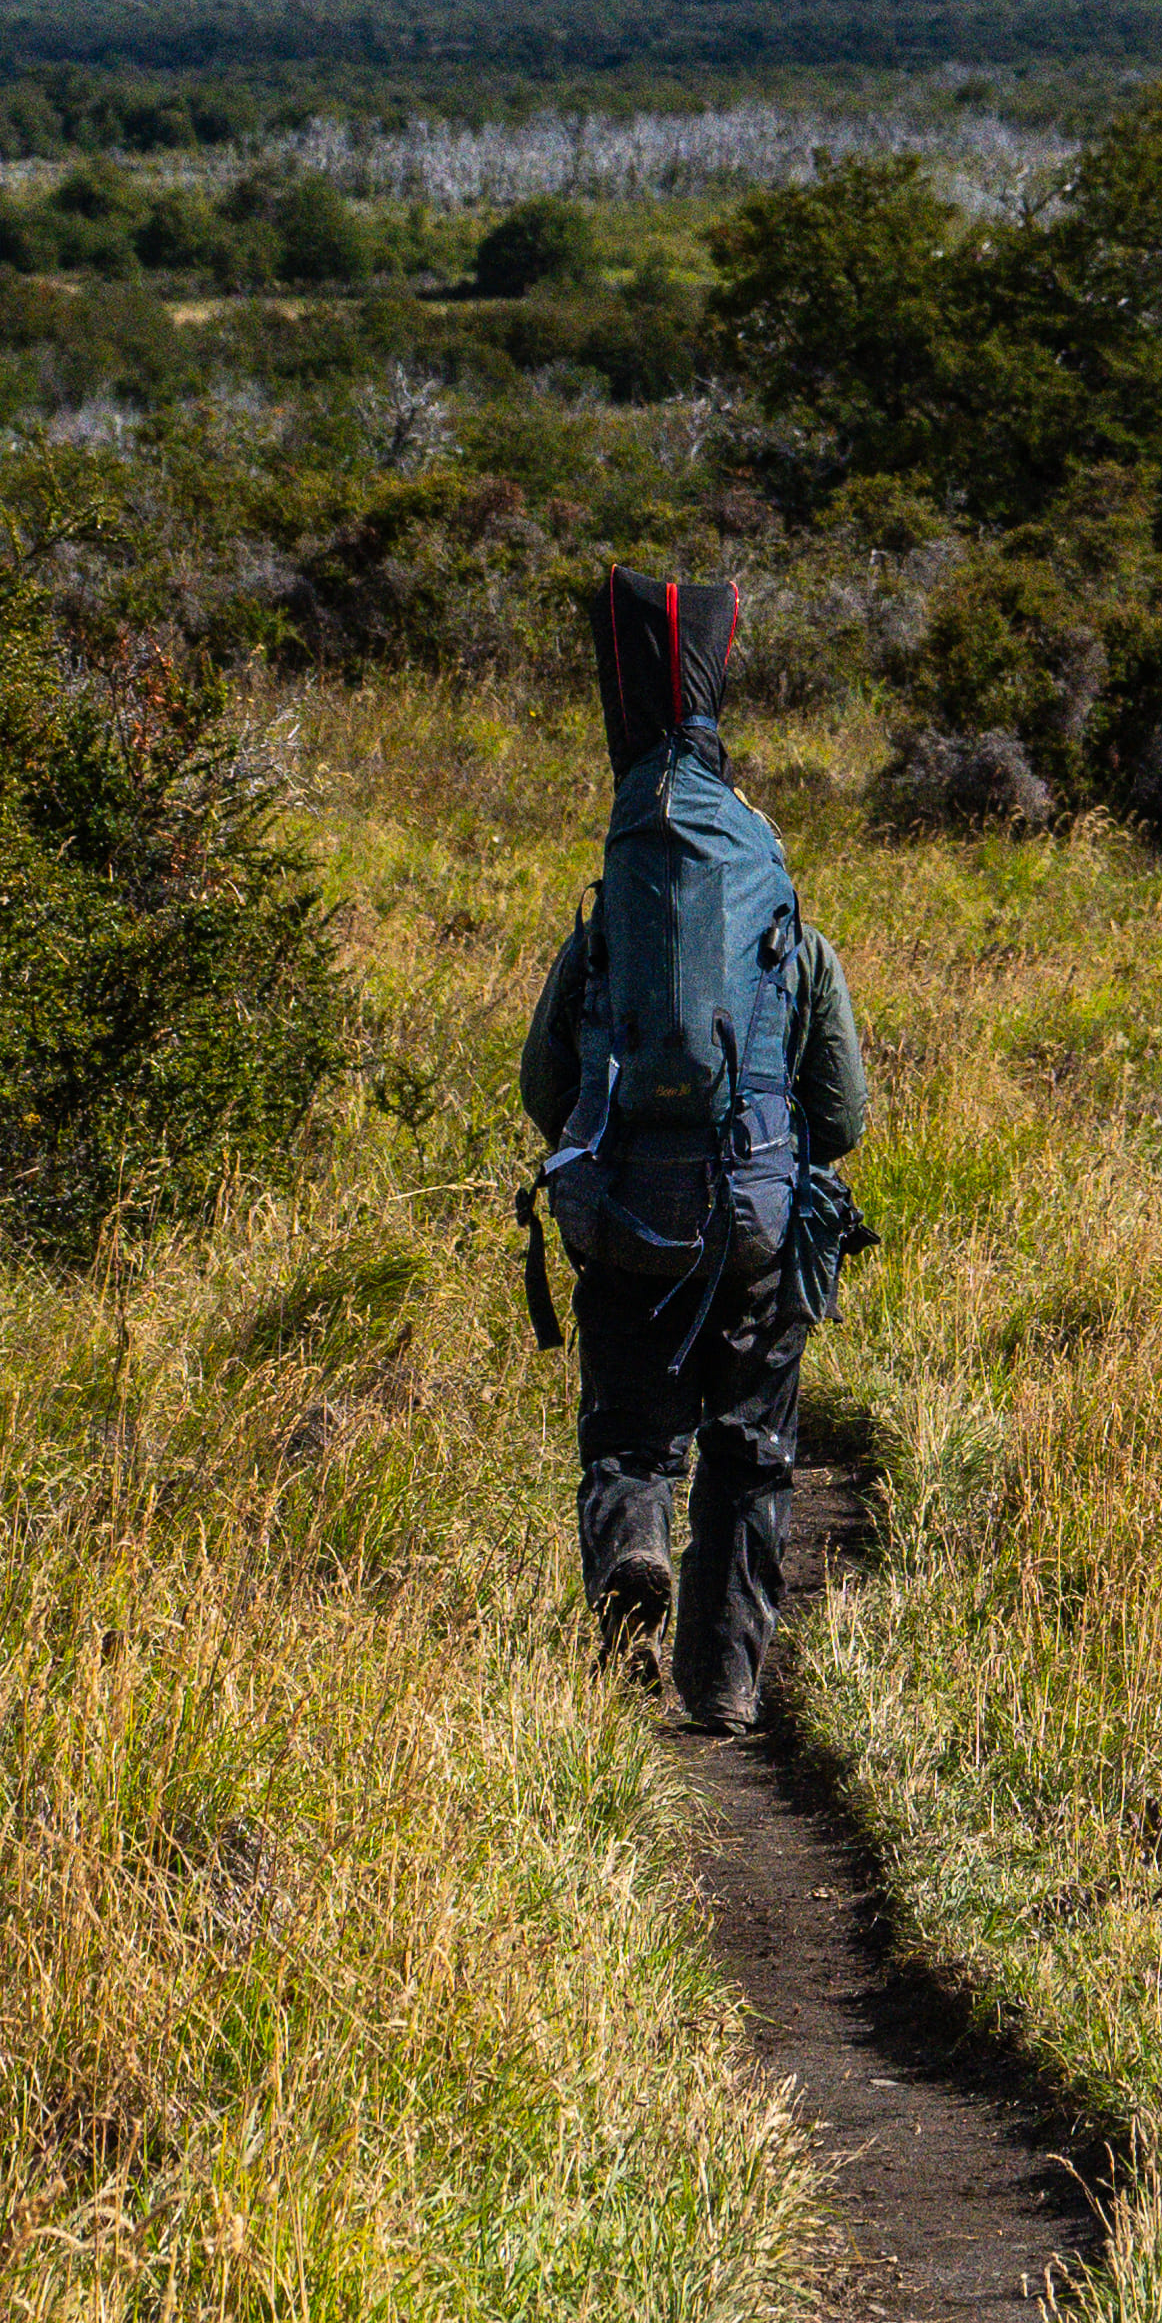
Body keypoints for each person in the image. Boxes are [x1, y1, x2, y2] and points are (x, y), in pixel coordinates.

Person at [517, 570, 869, 1737]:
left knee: (630, 1441)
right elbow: (843, 1113)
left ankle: (633, 1555)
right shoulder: (794, 938)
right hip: (755, 1227)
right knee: (750, 1454)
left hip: (623, 1223)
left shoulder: (602, 932)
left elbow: (544, 1090)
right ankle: (720, 1684)